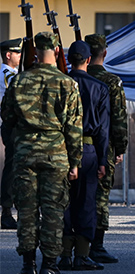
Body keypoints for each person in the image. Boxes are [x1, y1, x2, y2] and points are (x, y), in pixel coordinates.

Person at [0, 32, 82, 274]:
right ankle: (49, 265)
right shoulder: (67, 83)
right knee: (53, 211)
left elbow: (7, 118)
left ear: (35, 51)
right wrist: (75, 162)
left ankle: (29, 264)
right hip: (55, 155)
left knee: (26, 210)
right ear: (57, 51)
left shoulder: (19, 81)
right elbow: (74, 127)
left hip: (25, 154)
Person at [58, 40, 110, 271]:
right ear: (89, 60)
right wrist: (102, 160)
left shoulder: (61, 84)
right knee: (87, 203)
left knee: (64, 202)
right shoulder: (99, 87)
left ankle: (64, 254)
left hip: (62, 150)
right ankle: (81, 254)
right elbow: (103, 129)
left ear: (69, 60)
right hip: (88, 150)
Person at [83, 33, 129, 265]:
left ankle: (74, 245)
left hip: (74, 145)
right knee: (100, 196)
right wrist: (120, 147)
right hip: (103, 146)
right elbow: (119, 118)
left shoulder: (72, 77)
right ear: (105, 53)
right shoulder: (111, 81)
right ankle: (97, 246)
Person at [1, 37, 23, 230]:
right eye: (17, 52)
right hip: (12, 125)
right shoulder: (8, 75)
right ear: (8, 55)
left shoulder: (13, 74)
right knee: (12, 168)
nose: (20, 55)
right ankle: (7, 211)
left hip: (14, 125)